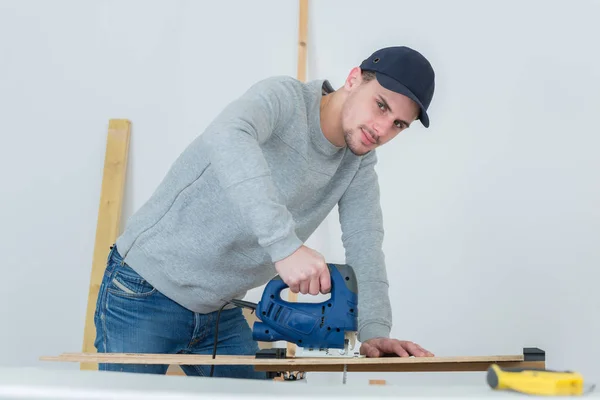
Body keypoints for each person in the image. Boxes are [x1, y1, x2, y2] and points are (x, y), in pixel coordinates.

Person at [93, 45, 436, 379]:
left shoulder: (358, 163)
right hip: (144, 291)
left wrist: (373, 331)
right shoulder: (284, 99)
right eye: (380, 106)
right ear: (353, 79)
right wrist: (284, 245)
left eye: (398, 124)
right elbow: (227, 134)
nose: (381, 129)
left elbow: (365, 242)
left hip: (219, 309)